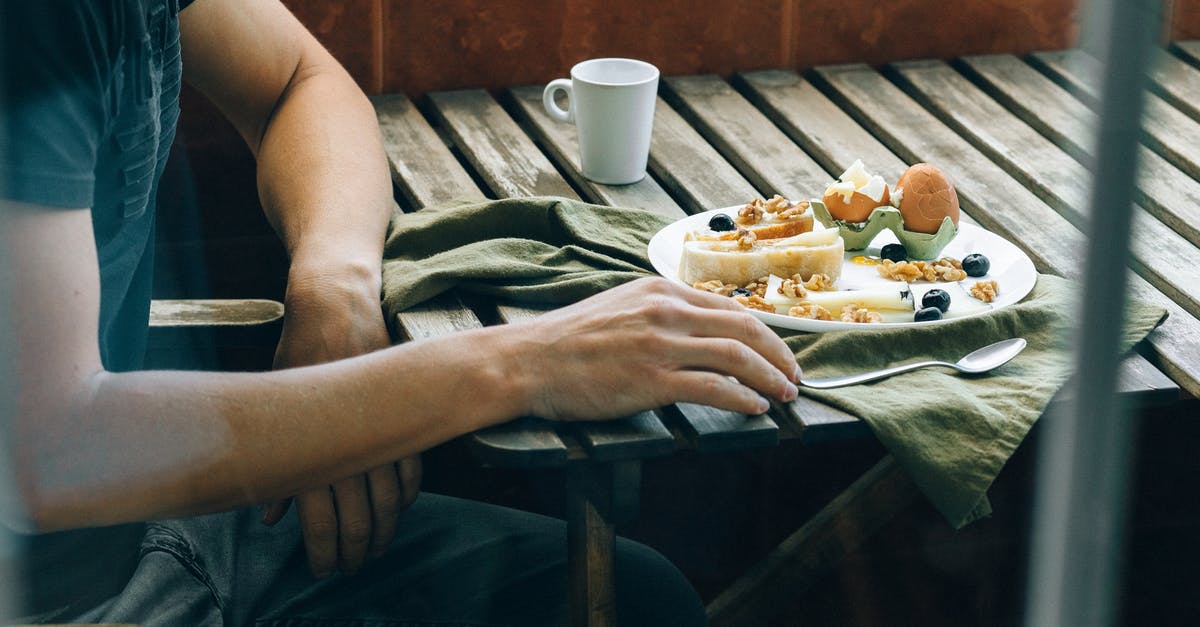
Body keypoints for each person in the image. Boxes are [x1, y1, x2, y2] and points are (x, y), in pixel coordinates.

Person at [0, 0, 802, 624]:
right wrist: (521, 365)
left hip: (148, 528)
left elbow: (300, 84)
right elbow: (49, 450)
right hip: (62, 601)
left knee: (637, 598)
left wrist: (333, 285)